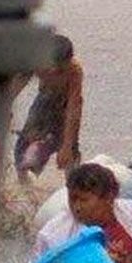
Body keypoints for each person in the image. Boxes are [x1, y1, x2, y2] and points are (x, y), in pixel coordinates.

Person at [13, 34, 84, 180]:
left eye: (60, 70)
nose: (53, 72)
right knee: (25, 141)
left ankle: (73, 181)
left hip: (66, 103)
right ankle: (23, 184)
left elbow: (73, 109)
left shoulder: (74, 71)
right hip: (45, 98)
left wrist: (66, 145)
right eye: (51, 67)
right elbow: (14, 88)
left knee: (70, 149)